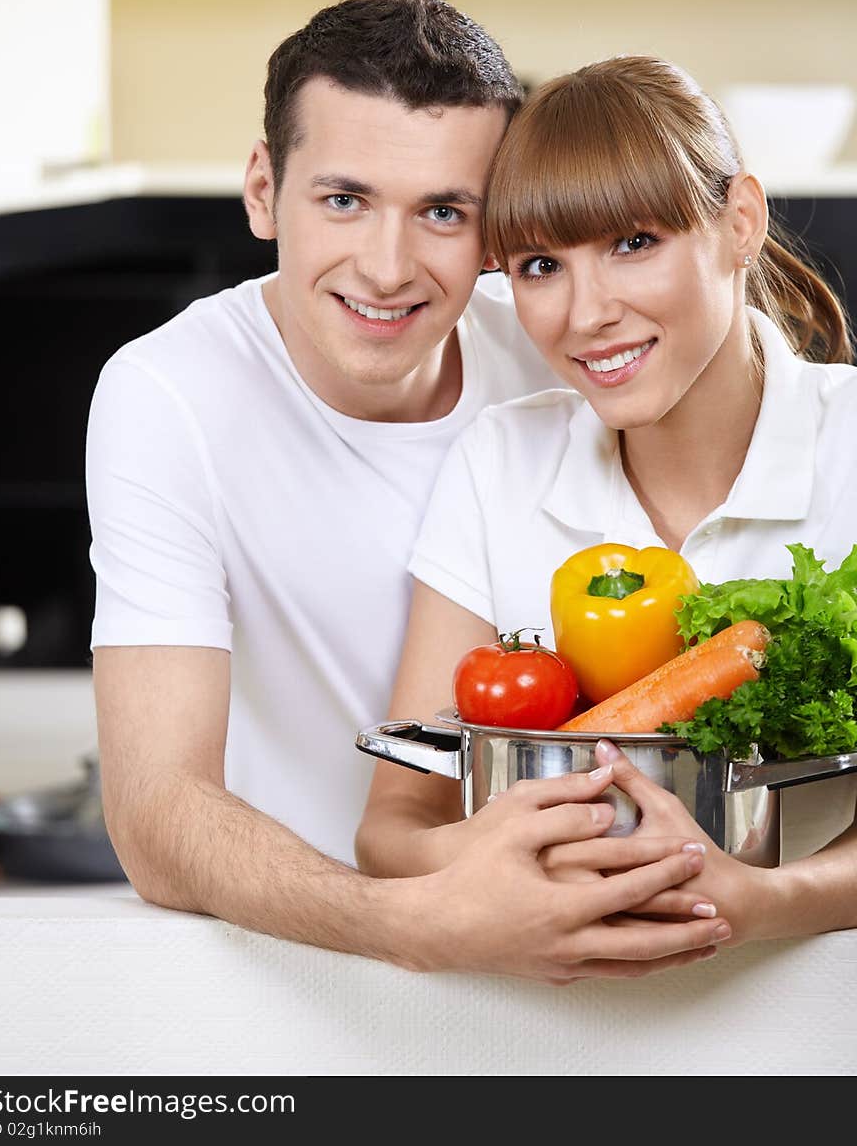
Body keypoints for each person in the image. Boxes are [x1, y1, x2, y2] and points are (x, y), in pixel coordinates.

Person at [86, 0, 728, 983]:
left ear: (492, 228)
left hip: (612, 944)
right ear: (263, 189)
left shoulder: (564, 345)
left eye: (442, 211)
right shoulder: (168, 395)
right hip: (307, 959)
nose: (386, 269)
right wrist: (412, 924)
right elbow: (156, 814)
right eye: (343, 199)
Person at [356, 54, 857, 948]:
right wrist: (509, 862)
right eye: (543, 265)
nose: (586, 314)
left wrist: (762, 898)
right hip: (537, 1017)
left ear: (740, 220)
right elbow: (396, 824)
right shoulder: (501, 461)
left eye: (634, 244)